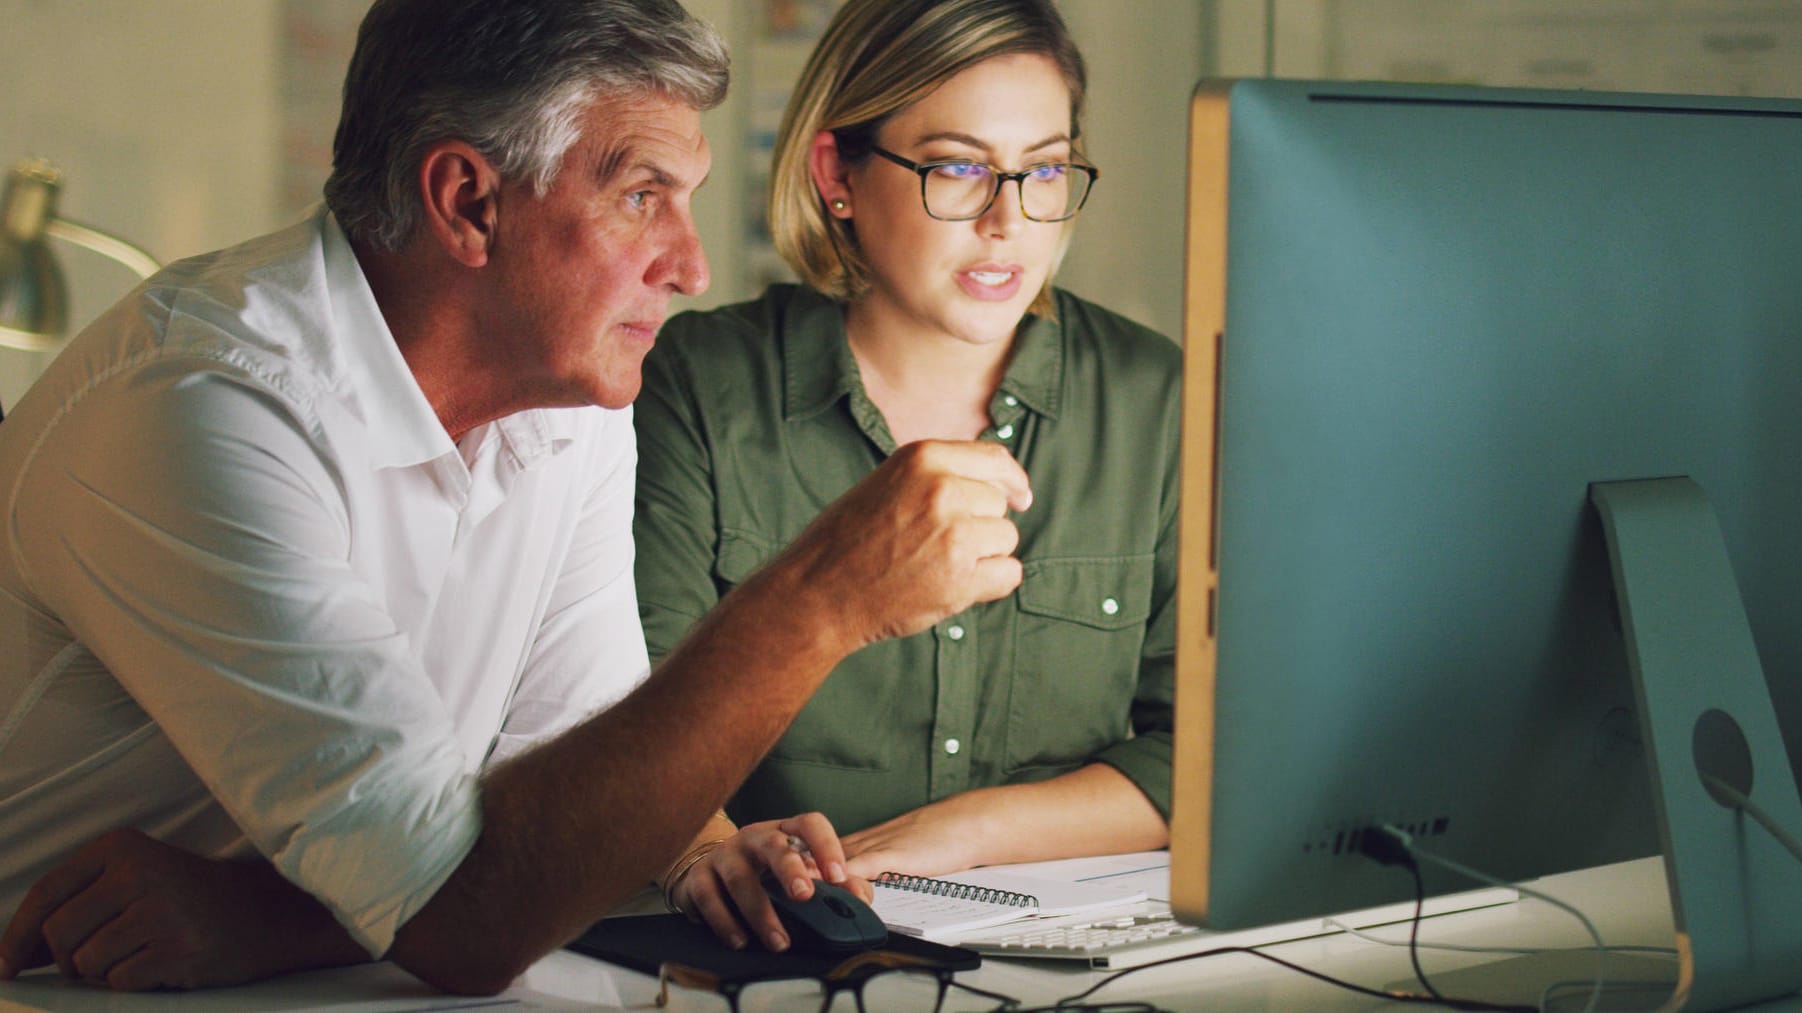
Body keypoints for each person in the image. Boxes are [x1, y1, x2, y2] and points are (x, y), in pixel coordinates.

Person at [0, 0, 1031, 995]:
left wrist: (271, 916)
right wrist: (820, 597)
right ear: (467, 202)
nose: (690, 262)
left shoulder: (570, 394)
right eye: (641, 197)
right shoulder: (207, 411)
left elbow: (570, 802)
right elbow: (467, 913)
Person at [635, 0, 1178, 949]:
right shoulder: (700, 385)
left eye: (1044, 169)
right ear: (836, 173)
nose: (1010, 221)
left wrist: (956, 834)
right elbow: (622, 711)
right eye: (960, 168)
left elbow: (1208, 751)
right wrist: (703, 848)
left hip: (1083, 954)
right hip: (775, 952)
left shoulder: (1153, 397)